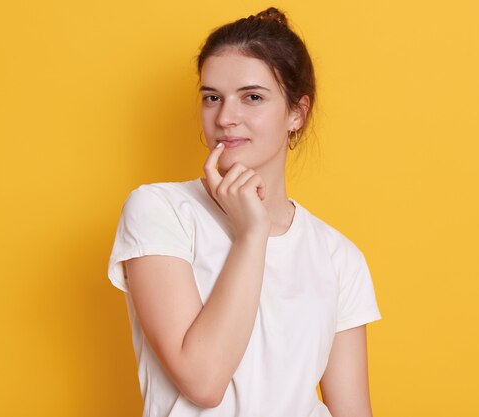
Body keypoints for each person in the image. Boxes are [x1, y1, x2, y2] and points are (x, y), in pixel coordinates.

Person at [108, 7, 381, 417]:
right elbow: (202, 381)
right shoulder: (160, 211)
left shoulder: (338, 257)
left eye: (252, 97)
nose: (225, 118)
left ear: (296, 113)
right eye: (211, 97)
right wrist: (251, 234)